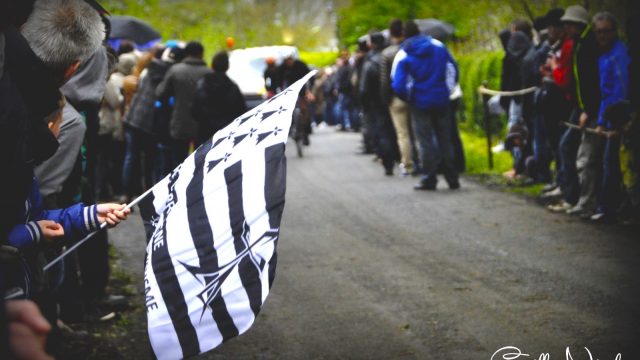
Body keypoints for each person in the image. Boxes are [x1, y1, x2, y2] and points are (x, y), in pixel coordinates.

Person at [589, 12, 630, 222]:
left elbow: (621, 92)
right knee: (607, 162)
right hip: (608, 117)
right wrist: (600, 121)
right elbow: (605, 93)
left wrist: (617, 122)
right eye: (599, 32)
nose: (602, 35)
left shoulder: (619, 55)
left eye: (606, 31)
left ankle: (610, 208)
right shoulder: (603, 55)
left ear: (614, 31)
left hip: (620, 119)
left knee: (612, 163)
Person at [156, 41, 212, 167]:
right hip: (202, 126)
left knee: (179, 163)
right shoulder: (209, 73)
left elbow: (160, 94)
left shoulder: (175, 70)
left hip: (179, 123)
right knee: (201, 164)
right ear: (201, 54)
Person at [360, 31, 398, 176]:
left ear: (371, 44)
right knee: (396, 130)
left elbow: (364, 87)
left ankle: (387, 161)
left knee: (382, 132)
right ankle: (400, 158)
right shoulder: (391, 55)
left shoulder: (370, 61)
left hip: (376, 102)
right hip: (394, 98)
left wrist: (364, 103)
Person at [382, 19, 415, 177]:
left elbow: (384, 80)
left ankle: (407, 164)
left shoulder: (387, 53)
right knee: (417, 130)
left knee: (403, 133)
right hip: (414, 94)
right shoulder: (412, 48)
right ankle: (424, 162)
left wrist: (386, 99)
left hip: (396, 97)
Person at [192, 51, 247, 145]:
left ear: (212, 65)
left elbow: (194, 110)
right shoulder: (232, 87)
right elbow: (240, 111)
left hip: (204, 132)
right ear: (227, 66)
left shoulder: (202, 84)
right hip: (226, 133)